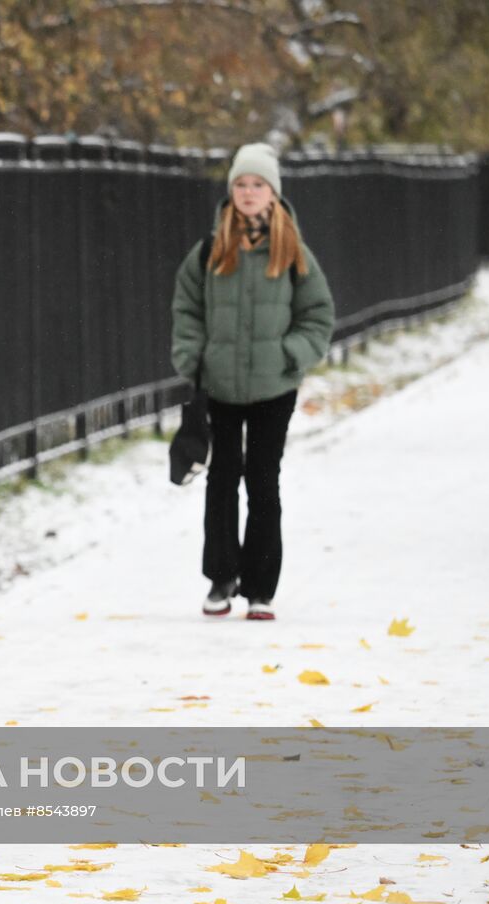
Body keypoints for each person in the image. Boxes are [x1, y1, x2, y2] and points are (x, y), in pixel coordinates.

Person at [170, 143, 335, 621]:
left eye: (257, 184)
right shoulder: (210, 248)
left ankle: (260, 588)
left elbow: (318, 314)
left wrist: (292, 355)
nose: (247, 193)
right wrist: (192, 357)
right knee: (222, 479)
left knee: (263, 480)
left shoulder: (291, 251)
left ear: (273, 193)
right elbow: (186, 308)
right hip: (218, 385)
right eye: (241, 184)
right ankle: (221, 578)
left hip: (273, 387)